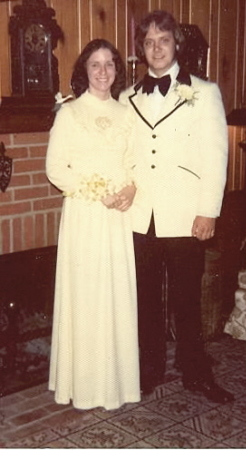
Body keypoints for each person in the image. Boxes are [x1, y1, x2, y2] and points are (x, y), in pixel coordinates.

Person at [120, 10, 234, 403]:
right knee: (146, 300)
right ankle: (149, 370)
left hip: (186, 216)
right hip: (140, 218)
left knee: (187, 301)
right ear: (141, 50)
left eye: (163, 40)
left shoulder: (204, 92)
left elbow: (216, 156)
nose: (156, 48)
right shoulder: (127, 97)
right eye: (149, 42)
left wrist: (209, 211)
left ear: (175, 44)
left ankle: (195, 371)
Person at [46, 39, 140, 410]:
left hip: (117, 219)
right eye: (95, 65)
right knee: (86, 297)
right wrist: (94, 192)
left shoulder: (126, 114)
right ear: (84, 71)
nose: (103, 72)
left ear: (118, 71)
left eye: (110, 65)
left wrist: (130, 189)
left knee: (113, 297)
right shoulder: (68, 114)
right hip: (85, 217)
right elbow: (55, 169)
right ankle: (84, 386)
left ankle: (113, 384)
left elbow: (133, 164)